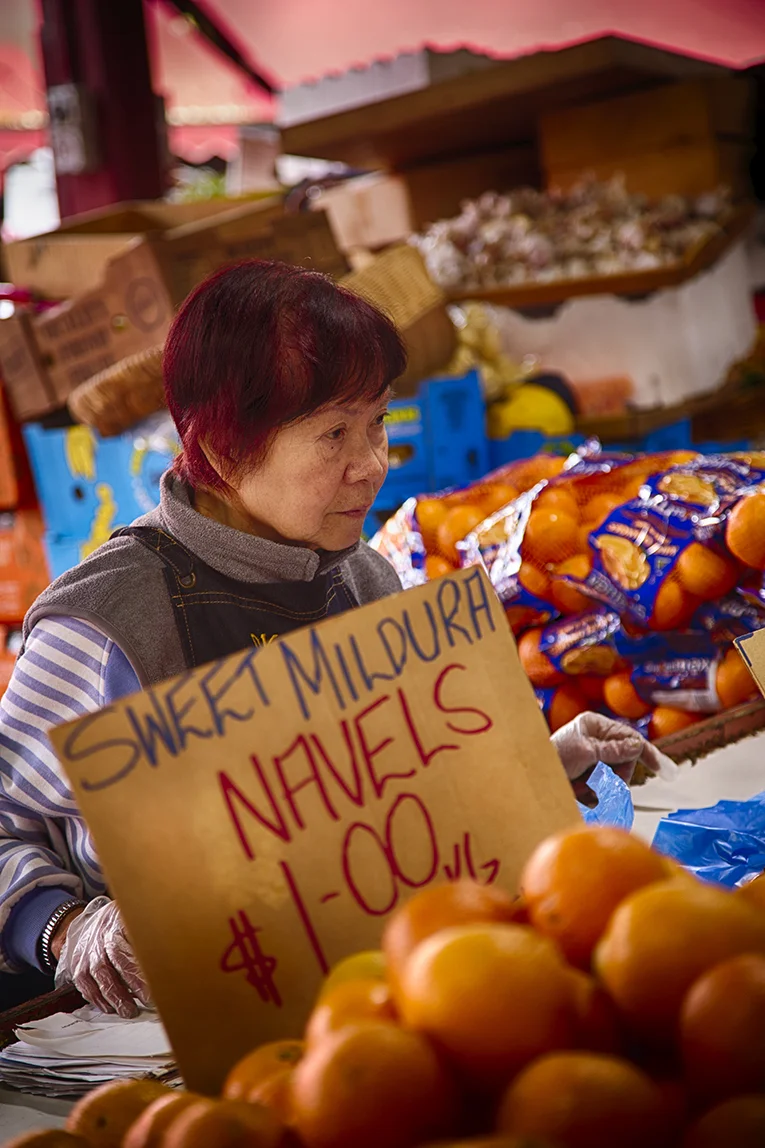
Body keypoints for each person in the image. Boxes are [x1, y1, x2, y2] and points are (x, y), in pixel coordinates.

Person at [0, 260, 662, 1017]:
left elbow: (383, 798)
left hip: (370, 1002)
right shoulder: (106, 622)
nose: (372, 464)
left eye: (377, 421)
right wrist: (63, 927)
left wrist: (534, 764)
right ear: (219, 451)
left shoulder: (364, 579)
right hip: (177, 1033)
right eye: (334, 434)